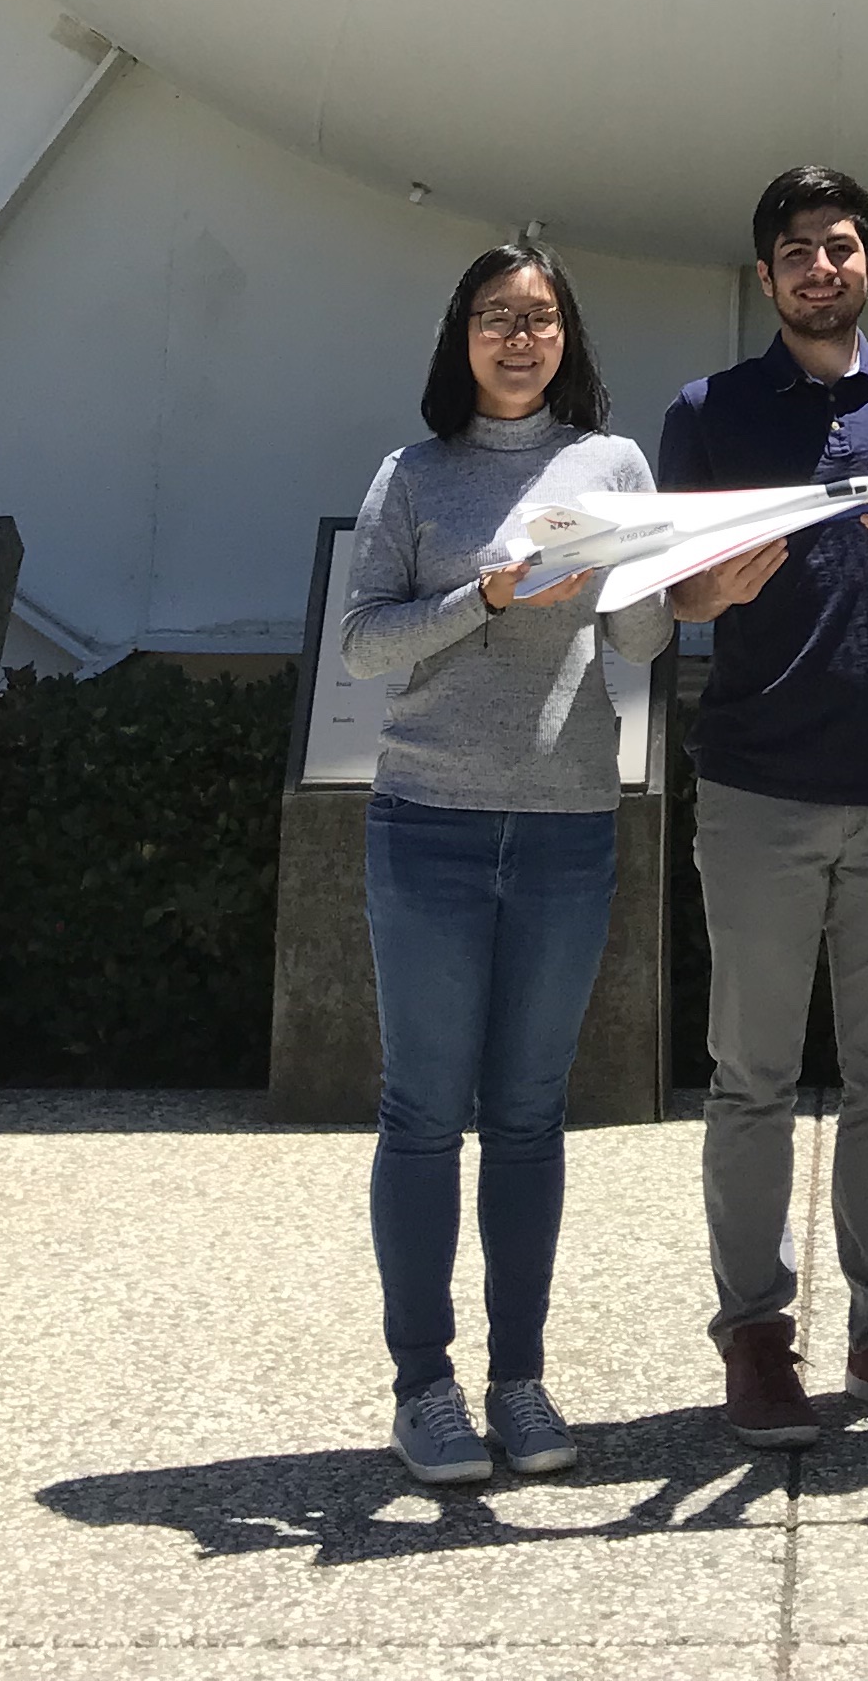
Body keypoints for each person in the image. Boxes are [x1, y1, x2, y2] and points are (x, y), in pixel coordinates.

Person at [657, 166, 868, 1446]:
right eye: (797, 249)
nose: (821, 266)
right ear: (767, 275)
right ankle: (756, 1335)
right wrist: (715, 592)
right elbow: (675, 595)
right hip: (757, 784)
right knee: (749, 1077)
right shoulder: (708, 411)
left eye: (841, 245)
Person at [342, 239, 675, 1487]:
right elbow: (363, 644)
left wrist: (682, 582)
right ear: (462, 337)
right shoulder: (413, 475)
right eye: (496, 317)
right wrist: (480, 599)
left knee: (532, 1116)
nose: (519, 339)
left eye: (539, 319)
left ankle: (519, 1380)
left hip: (566, 823)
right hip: (427, 820)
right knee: (425, 1112)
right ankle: (422, 1387)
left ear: (567, 337)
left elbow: (639, 638)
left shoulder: (613, 467)